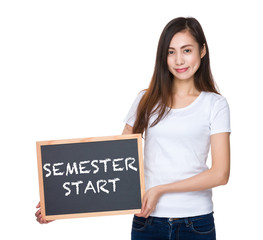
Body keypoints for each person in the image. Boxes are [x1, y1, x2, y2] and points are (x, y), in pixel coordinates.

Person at [122, 17, 231, 240]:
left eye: (187, 50)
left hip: (196, 223)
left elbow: (220, 174)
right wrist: (64, 204)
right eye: (171, 52)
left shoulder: (215, 105)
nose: (179, 60)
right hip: (147, 222)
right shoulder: (146, 99)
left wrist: (160, 189)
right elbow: (117, 160)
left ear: (202, 51)